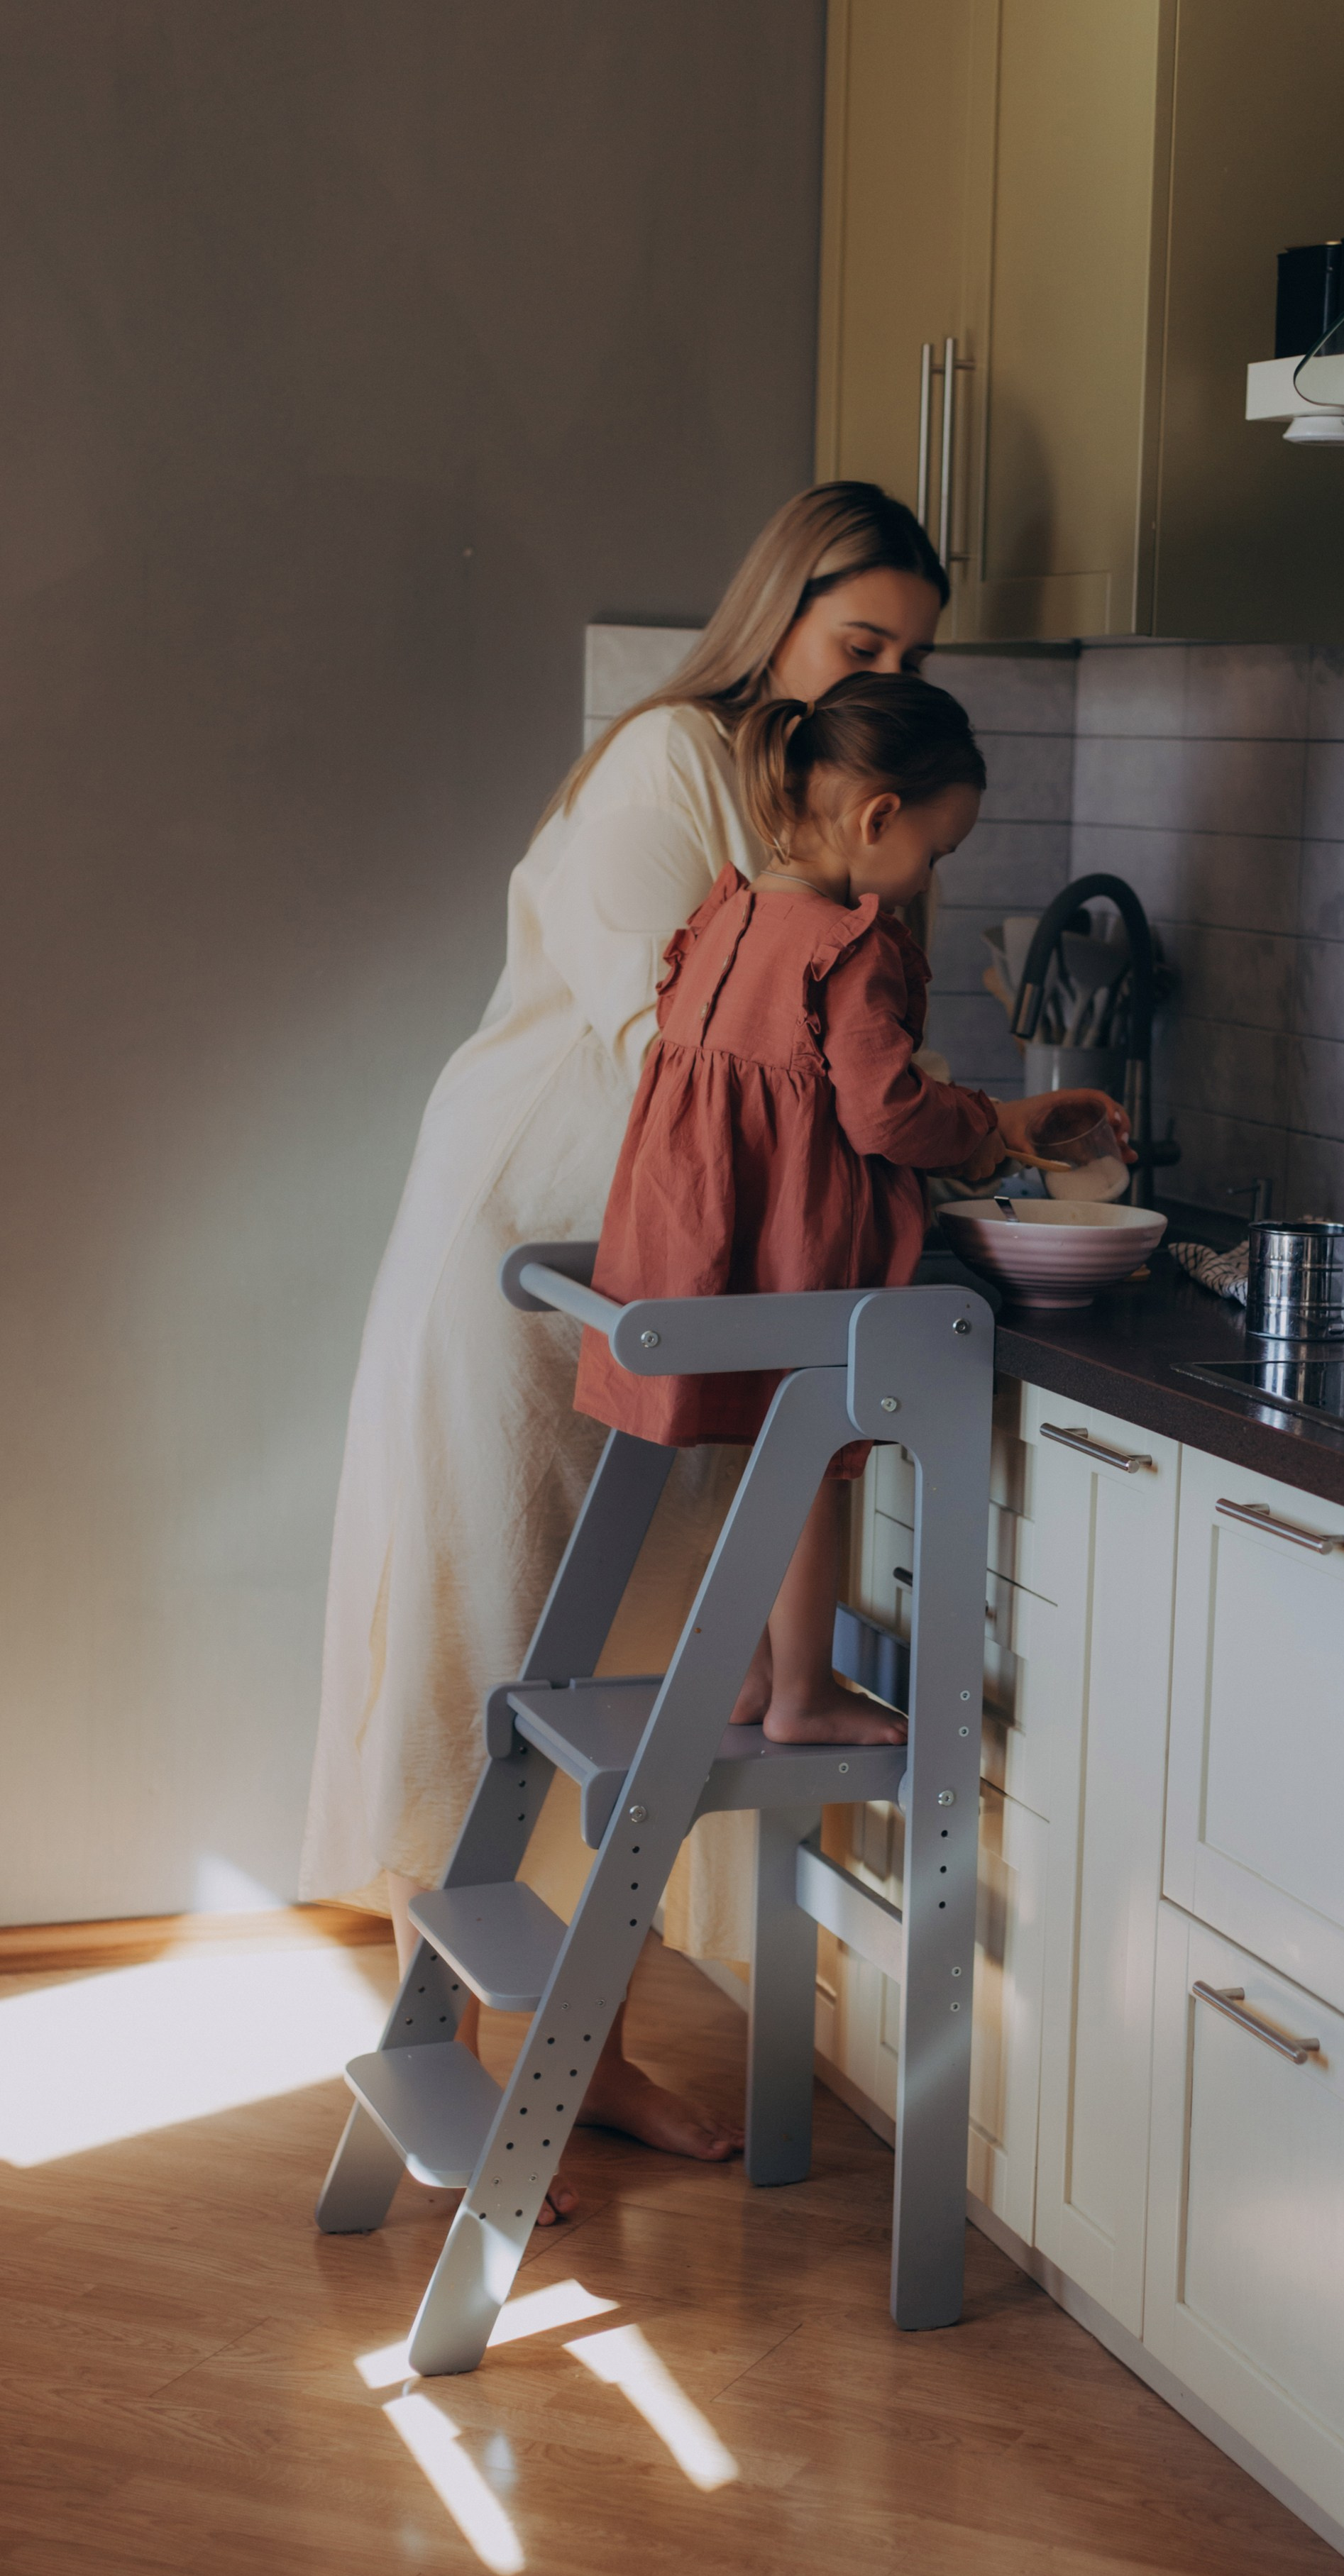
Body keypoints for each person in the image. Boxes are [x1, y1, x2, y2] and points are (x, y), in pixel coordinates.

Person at [301, 480, 1125, 2219]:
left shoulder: (811, 800)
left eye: (910, 649)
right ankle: (503, 2054)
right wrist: (928, 1131)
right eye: (859, 639)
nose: (881, 668)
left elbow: (809, 1061)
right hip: (529, 1238)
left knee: (592, 1652)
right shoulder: (680, 760)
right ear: (783, 614)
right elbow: (686, 1039)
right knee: (486, 1627)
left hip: (667, 1260)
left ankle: (559, 2055)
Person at [576, 674, 1004, 1746]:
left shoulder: (730, 916)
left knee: (758, 1464)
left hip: (702, 1240)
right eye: (936, 851)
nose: (928, 877)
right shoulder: (848, 948)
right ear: (876, 817)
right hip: (794, 1252)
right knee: (813, 1463)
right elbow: (887, 1115)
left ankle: (750, 1673)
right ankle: (805, 1692)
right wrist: (992, 1131)